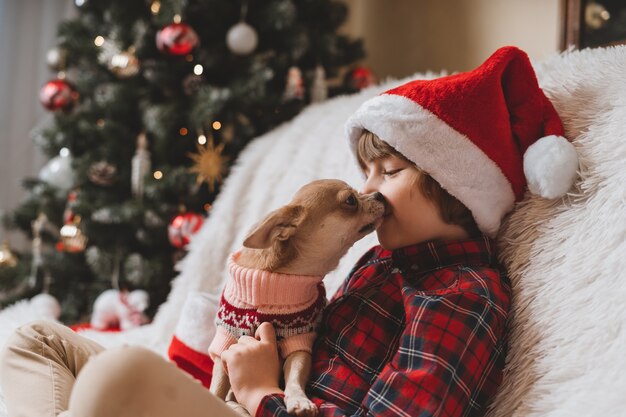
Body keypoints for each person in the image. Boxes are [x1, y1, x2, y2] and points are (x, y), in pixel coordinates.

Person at [0, 46, 578, 417]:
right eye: (366, 173)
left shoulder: (461, 298)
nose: (372, 191)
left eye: (391, 171)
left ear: (458, 186)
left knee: (121, 374)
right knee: (35, 340)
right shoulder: (382, 263)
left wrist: (261, 396)